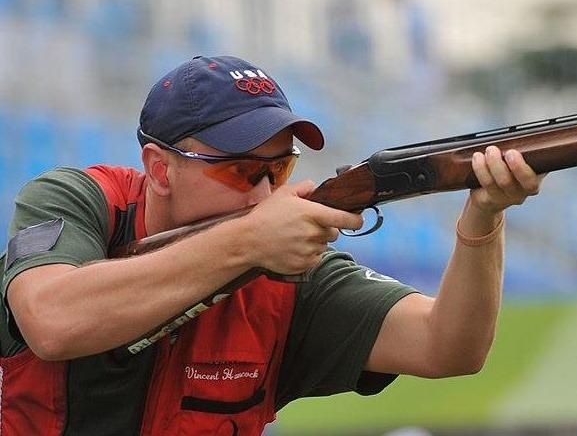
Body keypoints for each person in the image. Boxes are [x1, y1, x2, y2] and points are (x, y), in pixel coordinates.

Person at [0, 55, 543, 435]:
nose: (264, 194)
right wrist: (246, 242)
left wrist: (484, 218)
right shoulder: (80, 200)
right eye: (241, 170)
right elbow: (52, 321)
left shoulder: (285, 271)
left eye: (279, 169)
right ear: (159, 169)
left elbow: (447, 346)